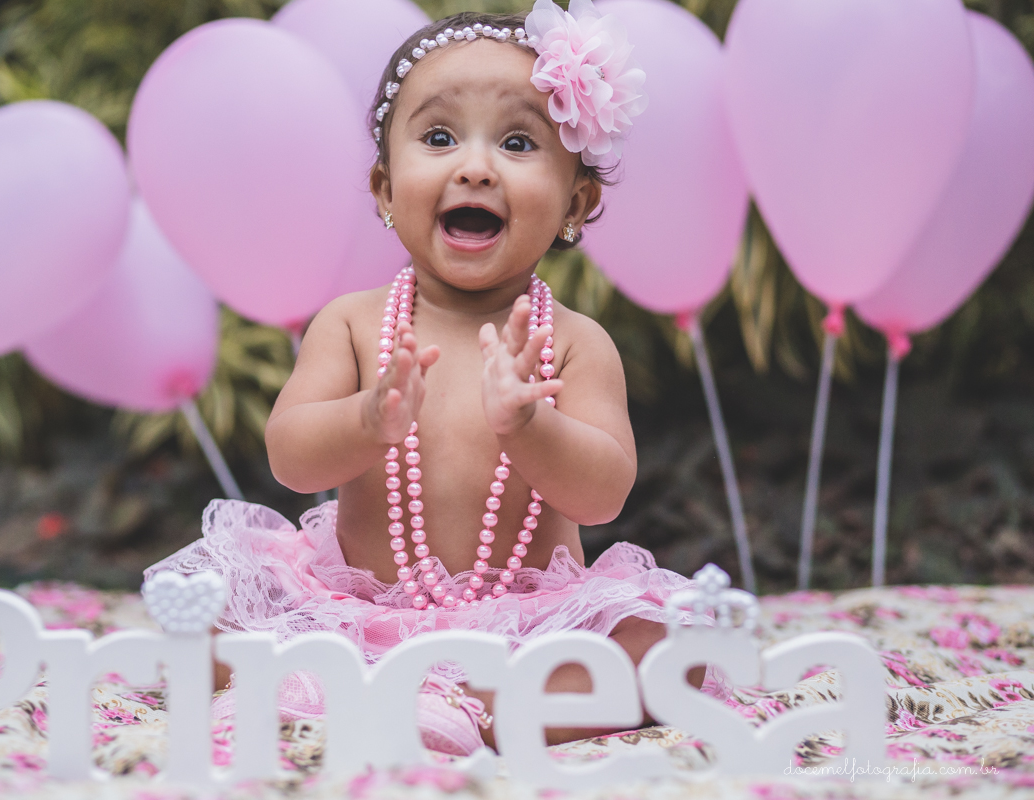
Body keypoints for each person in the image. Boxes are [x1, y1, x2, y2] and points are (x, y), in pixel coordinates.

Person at [146, 0, 721, 757]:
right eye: (440, 137)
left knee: (665, 648)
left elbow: (603, 493)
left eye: (518, 142)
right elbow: (289, 457)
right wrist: (365, 422)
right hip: (357, 614)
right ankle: (370, 693)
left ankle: (458, 709)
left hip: (524, 625)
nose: (474, 166)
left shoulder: (576, 344)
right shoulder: (351, 324)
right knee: (211, 616)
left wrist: (531, 427)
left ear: (577, 202)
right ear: (386, 190)